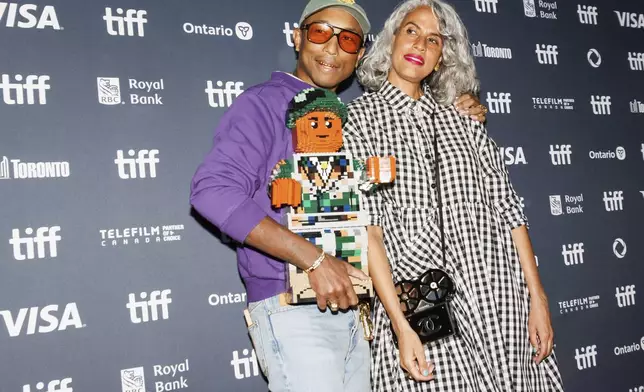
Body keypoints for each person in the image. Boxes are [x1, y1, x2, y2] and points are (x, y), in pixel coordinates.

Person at [189, 0, 486, 390]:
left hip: (352, 312)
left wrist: (459, 106)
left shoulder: (346, 118)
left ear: (360, 53)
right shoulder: (263, 103)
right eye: (320, 32)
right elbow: (211, 192)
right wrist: (315, 261)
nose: (332, 48)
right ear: (297, 38)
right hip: (293, 309)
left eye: (347, 40)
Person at [342, 0, 565, 391]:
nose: (420, 45)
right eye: (411, 31)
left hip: (497, 300)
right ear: (392, 38)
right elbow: (369, 232)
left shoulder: (464, 119)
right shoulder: (359, 120)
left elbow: (509, 211)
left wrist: (538, 298)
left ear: (443, 56)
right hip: (420, 307)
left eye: (434, 39)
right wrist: (399, 325)